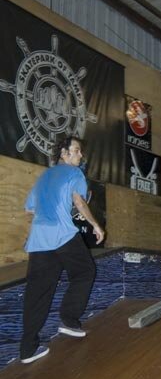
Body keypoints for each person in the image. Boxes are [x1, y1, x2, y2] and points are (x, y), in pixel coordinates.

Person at [20, 136, 105, 364]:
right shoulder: (74, 173)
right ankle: (69, 320)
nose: (80, 155)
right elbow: (79, 202)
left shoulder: (43, 177)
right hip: (62, 235)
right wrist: (95, 225)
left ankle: (27, 349)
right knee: (85, 271)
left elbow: (30, 210)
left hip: (39, 240)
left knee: (37, 293)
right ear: (64, 154)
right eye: (76, 151)